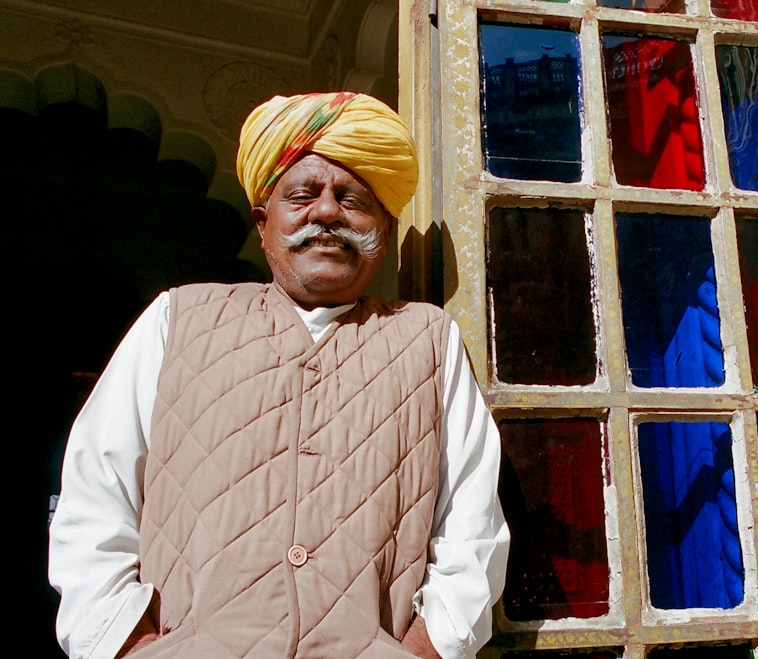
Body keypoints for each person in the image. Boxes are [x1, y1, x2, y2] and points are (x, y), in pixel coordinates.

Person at [47, 91, 510, 659]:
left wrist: (424, 650)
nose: (327, 213)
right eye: (303, 195)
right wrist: (124, 643)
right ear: (263, 226)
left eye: (352, 200)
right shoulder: (177, 318)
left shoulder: (427, 339)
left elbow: (472, 524)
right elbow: (96, 495)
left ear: (383, 231)